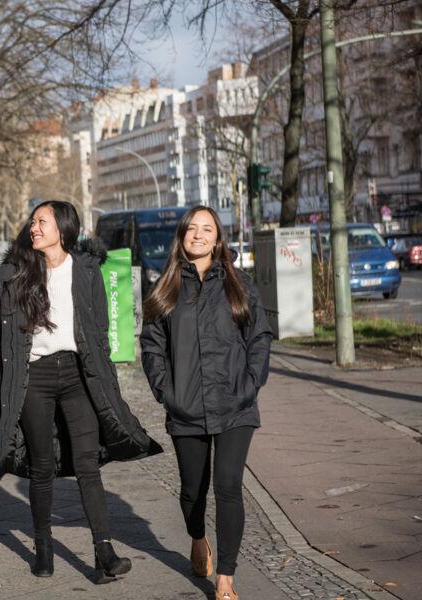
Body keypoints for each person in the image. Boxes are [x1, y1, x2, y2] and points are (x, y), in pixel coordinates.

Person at [0, 201, 163, 583]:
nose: (33, 227)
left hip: (76, 373)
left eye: (41, 222)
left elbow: (98, 323)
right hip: (33, 376)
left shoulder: (85, 269)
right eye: (32, 221)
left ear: (63, 230)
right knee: (41, 466)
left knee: (87, 464)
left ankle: (105, 552)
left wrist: (101, 369)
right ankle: (43, 547)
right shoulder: (17, 271)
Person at [139, 206, 272, 600]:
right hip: (186, 408)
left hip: (235, 406)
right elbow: (152, 347)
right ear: (182, 236)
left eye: (207, 229)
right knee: (192, 490)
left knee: (228, 485)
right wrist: (168, 391)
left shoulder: (239, 284)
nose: (198, 235)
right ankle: (197, 536)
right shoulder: (165, 288)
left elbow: (259, 339)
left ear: (218, 238)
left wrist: (248, 386)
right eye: (192, 228)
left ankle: (226, 577)